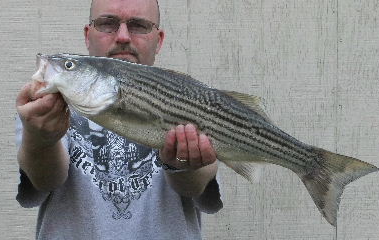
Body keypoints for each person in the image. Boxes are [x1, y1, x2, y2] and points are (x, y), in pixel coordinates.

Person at [15, 0, 223, 239]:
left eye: (138, 25)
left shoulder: (191, 98)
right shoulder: (43, 106)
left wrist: (180, 164)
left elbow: (197, 188)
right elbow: (45, 181)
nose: (123, 36)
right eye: (107, 23)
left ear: (159, 39)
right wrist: (41, 140)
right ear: (87, 35)